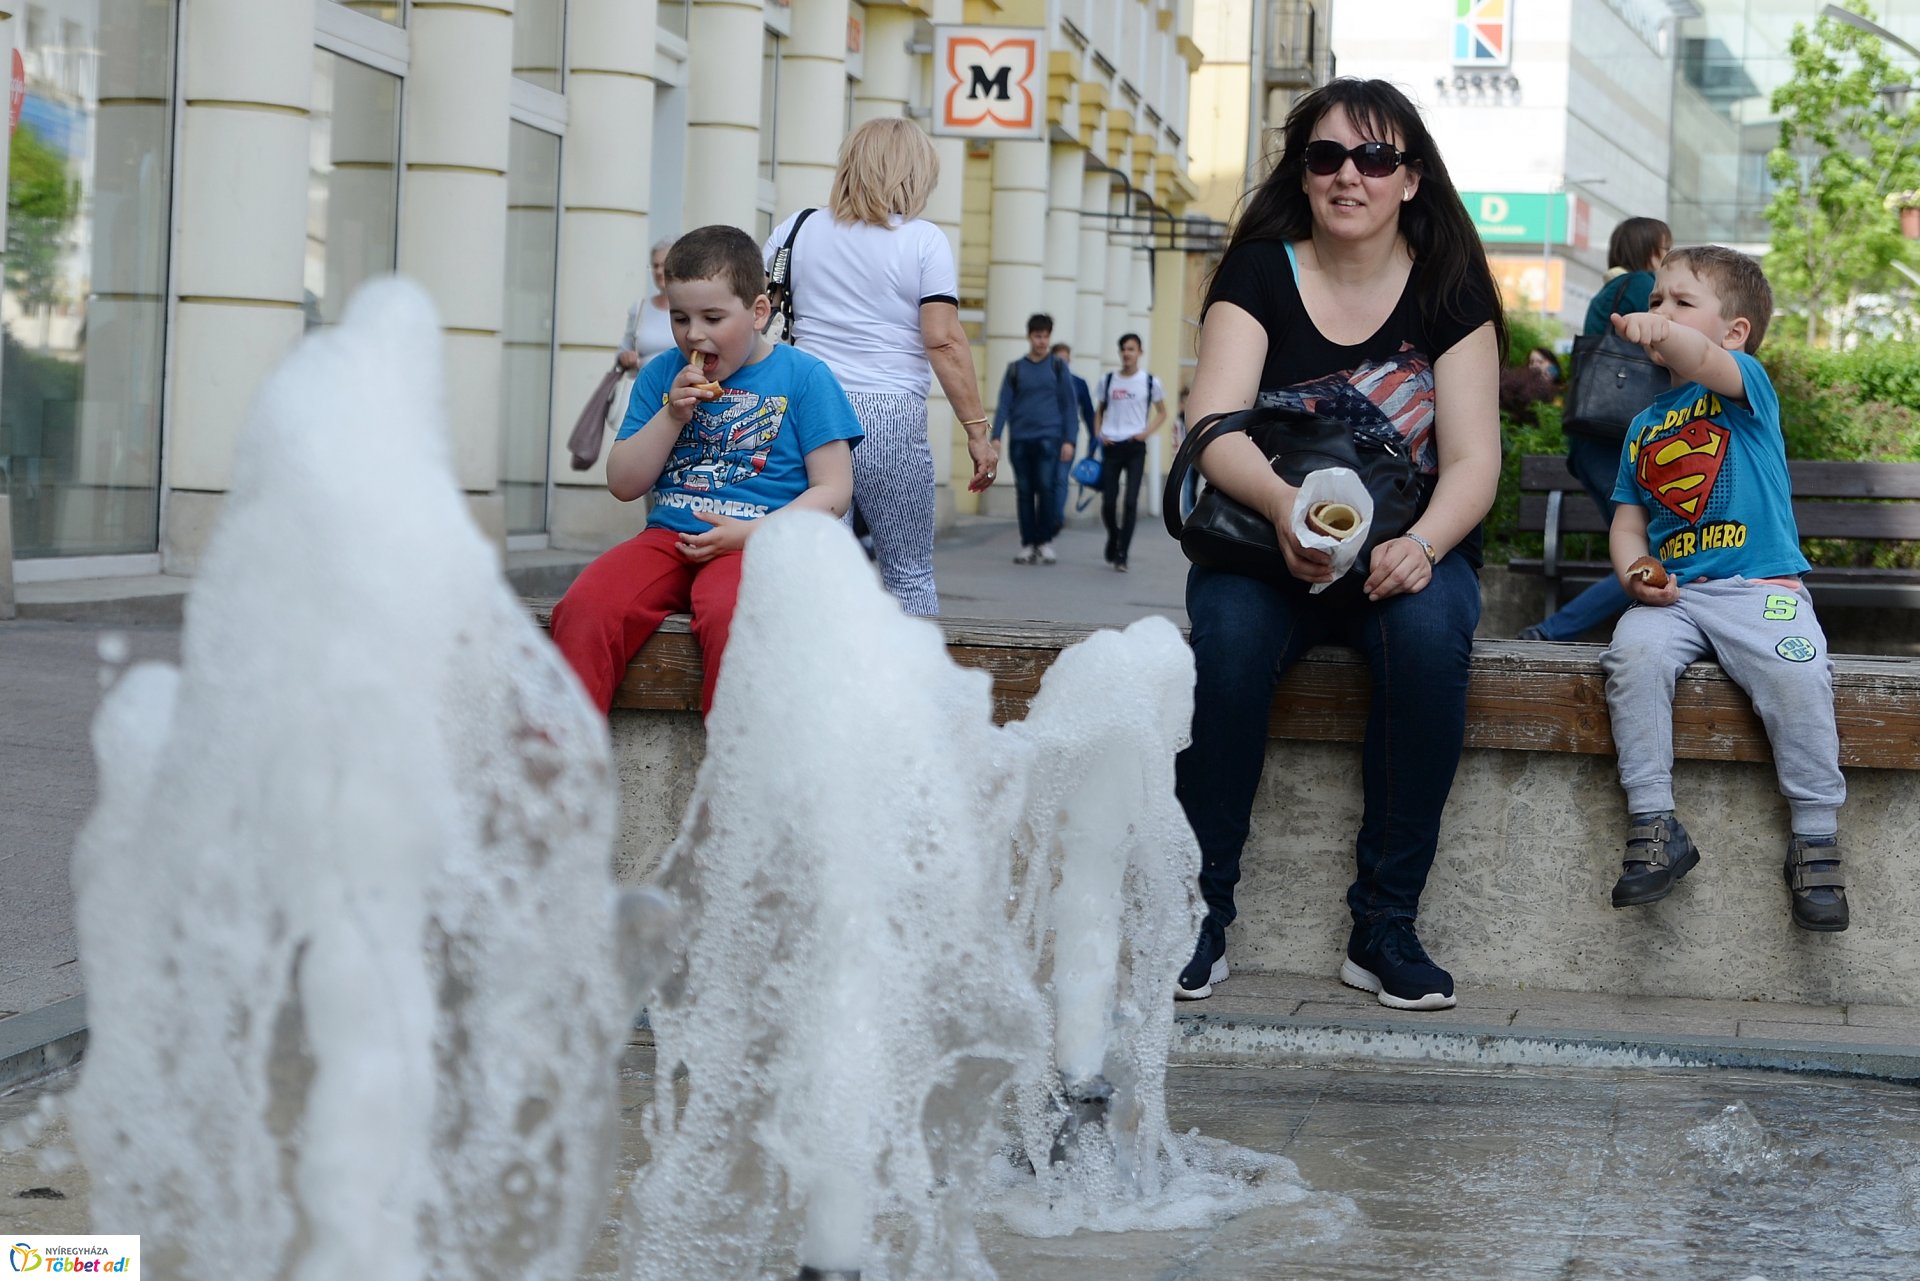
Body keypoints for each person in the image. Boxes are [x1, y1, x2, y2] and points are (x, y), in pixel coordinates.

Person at [1172, 79, 1504, 1011]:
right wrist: (1284, 509)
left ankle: (1384, 925)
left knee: (1432, 641)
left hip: (1408, 546)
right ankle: (1197, 912)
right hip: (1264, 541)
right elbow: (1215, 426)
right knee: (1228, 648)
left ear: (1411, 178)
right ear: (1302, 171)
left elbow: (1476, 459)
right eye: (1325, 156)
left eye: (1374, 158)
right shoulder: (1257, 273)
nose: (1347, 175)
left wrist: (1428, 546)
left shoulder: (1449, 288)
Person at [1600, 245, 1849, 932]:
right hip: (1679, 598)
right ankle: (1655, 822)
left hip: (1759, 590)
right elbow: (1628, 523)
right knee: (1632, 656)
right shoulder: (1643, 426)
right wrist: (1634, 571)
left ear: (1734, 332)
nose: (1660, 314)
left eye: (1682, 302)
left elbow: (1700, 359)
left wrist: (1665, 334)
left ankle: (1815, 833)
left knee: (1799, 672)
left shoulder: (1744, 388)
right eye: (1654, 301)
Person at [550, 225, 863, 715]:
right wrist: (671, 414)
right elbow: (623, 483)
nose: (693, 334)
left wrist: (752, 534)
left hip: (758, 543)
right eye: (680, 318)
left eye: (712, 317)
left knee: (732, 616)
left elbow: (834, 489)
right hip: (668, 539)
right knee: (586, 607)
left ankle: (732, 775)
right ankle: (567, 762)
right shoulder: (660, 375)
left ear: (759, 312)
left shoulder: (805, 377)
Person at [763, 119, 996, 616]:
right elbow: (944, 340)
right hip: (888, 413)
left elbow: (755, 317)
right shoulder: (923, 241)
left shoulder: (796, 228)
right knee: (908, 576)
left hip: (806, 408)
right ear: (913, 173)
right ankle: (910, 690)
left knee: (819, 576)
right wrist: (977, 431)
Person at [1521, 216, 1672, 642]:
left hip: (1593, 441)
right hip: (1615, 441)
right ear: (1653, 250)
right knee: (1657, 555)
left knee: (1643, 553)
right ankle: (1548, 633)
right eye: (1667, 248)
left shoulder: (1608, 290)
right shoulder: (1643, 285)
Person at [992, 313, 1078, 564]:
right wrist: (996, 436)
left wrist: (1069, 440)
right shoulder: (1016, 369)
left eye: (1045, 336)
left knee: (1046, 488)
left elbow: (1069, 406)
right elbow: (1004, 404)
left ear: (1049, 337)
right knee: (1024, 492)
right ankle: (1028, 543)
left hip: (1049, 438)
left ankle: (1045, 540)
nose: (1041, 341)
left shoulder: (1058, 367)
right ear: (1029, 336)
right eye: (1037, 336)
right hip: (1020, 438)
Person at [1093, 332, 1168, 571]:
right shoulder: (1108, 381)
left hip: (1135, 446)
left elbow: (1163, 412)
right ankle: (1114, 537)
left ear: (1140, 353)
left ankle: (1123, 553)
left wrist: (1146, 433)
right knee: (1108, 502)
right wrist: (1099, 434)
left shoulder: (1149, 382)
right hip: (1112, 445)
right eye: (1124, 349)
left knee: (1131, 501)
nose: (1127, 353)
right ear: (1120, 353)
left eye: (1131, 349)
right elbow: (1099, 411)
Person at [612, 238, 679, 429]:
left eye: (664, 265)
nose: (659, 271)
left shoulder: (691, 308)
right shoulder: (641, 308)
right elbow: (623, 350)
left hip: (679, 395)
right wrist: (625, 357)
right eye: (655, 266)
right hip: (645, 396)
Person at [1051, 341, 1098, 531]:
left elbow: (1088, 413)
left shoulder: (1078, 384)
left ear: (1069, 361)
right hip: (1045, 437)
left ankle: (1056, 518)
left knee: (1061, 478)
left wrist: (1094, 441)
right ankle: (1047, 514)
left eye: (1065, 360)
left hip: (1067, 438)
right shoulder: (1045, 382)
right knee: (1045, 480)